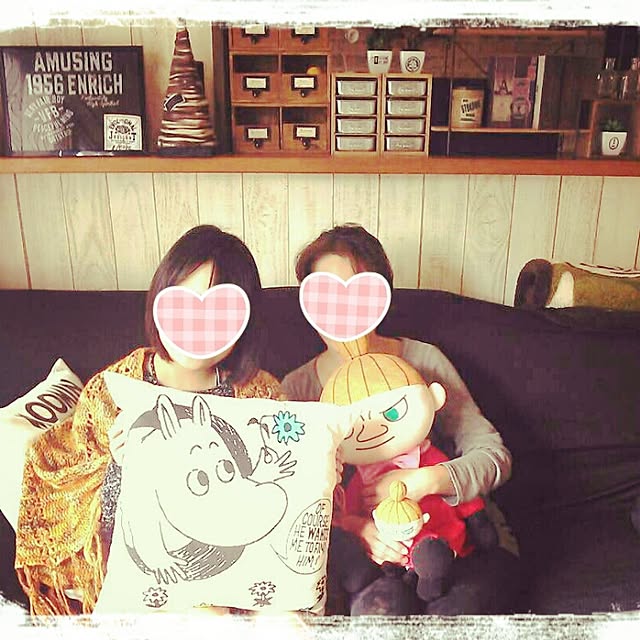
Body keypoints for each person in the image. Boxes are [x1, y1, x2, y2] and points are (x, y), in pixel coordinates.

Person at [14, 225, 284, 616]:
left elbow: (285, 489)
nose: (198, 328)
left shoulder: (263, 394)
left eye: (220, 314)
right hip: (150, 580)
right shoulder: (113, 392)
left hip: (238, 574)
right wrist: (118, 467)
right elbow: (81, 508)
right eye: (182, 308)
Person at [281, 223, 522, 616]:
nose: (344, 313)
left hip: (462, 545)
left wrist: (424, 480)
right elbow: (289, 495)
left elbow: (493, 455)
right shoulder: (298, 388)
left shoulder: (423, 362)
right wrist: (353, 528)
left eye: (358, 294)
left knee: (451, 618)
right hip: (372, 566)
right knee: (378, 617)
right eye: (326, 298)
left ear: (381, 297)